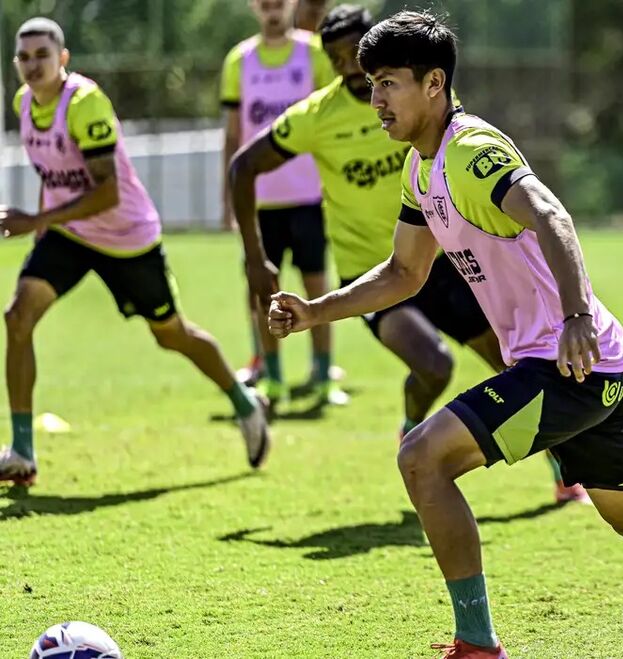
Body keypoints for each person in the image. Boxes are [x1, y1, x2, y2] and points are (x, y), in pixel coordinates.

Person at [267, 10, 623, 659]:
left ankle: (476, 643)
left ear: (434, 84)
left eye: (388, 82)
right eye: (371, 83)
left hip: (567, 361)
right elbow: (403, 272)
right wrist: (314, 311)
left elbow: (552, 213)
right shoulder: (422, 170)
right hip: (597, 366)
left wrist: (576, 315)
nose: (376, 99)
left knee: (423, 456)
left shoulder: (473, 153)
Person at [232, 5, 588, 504]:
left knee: (516, 366)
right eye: (340, 60)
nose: (355, 74)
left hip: (447, 265)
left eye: (374, 69)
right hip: (373, 274)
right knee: (434, 365)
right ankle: (413, 428)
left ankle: (563, 466)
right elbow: (243, 166)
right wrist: (255, 254)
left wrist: (576, 310)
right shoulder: (316, 117)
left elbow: (546, 213)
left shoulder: (434, 118)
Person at [0, 18, 269, 486]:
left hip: (127, 238)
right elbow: (54, 174)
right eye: (23, 57)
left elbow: (108, 195)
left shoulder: (85, 105)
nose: (32, 65)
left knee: (171, 334)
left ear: (62, 59)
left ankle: (246, 404)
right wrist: (46, 228)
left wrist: (36, 221)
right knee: (18, 317)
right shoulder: (24, 103)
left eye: (42, 55)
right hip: (70, 233)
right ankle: (22, 451)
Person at [221, 0, 346, 409]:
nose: (272, 11)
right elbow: (234, 134)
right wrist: (229, 199)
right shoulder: (240, 60)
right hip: (260, 201)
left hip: (309, 196)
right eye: (264, 4)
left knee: (316, 287)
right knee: (262, 289)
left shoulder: (313, 52)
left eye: (279, 3)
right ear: (253, 8)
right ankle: (272, 379)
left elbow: (334, 118)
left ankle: (323, 374)